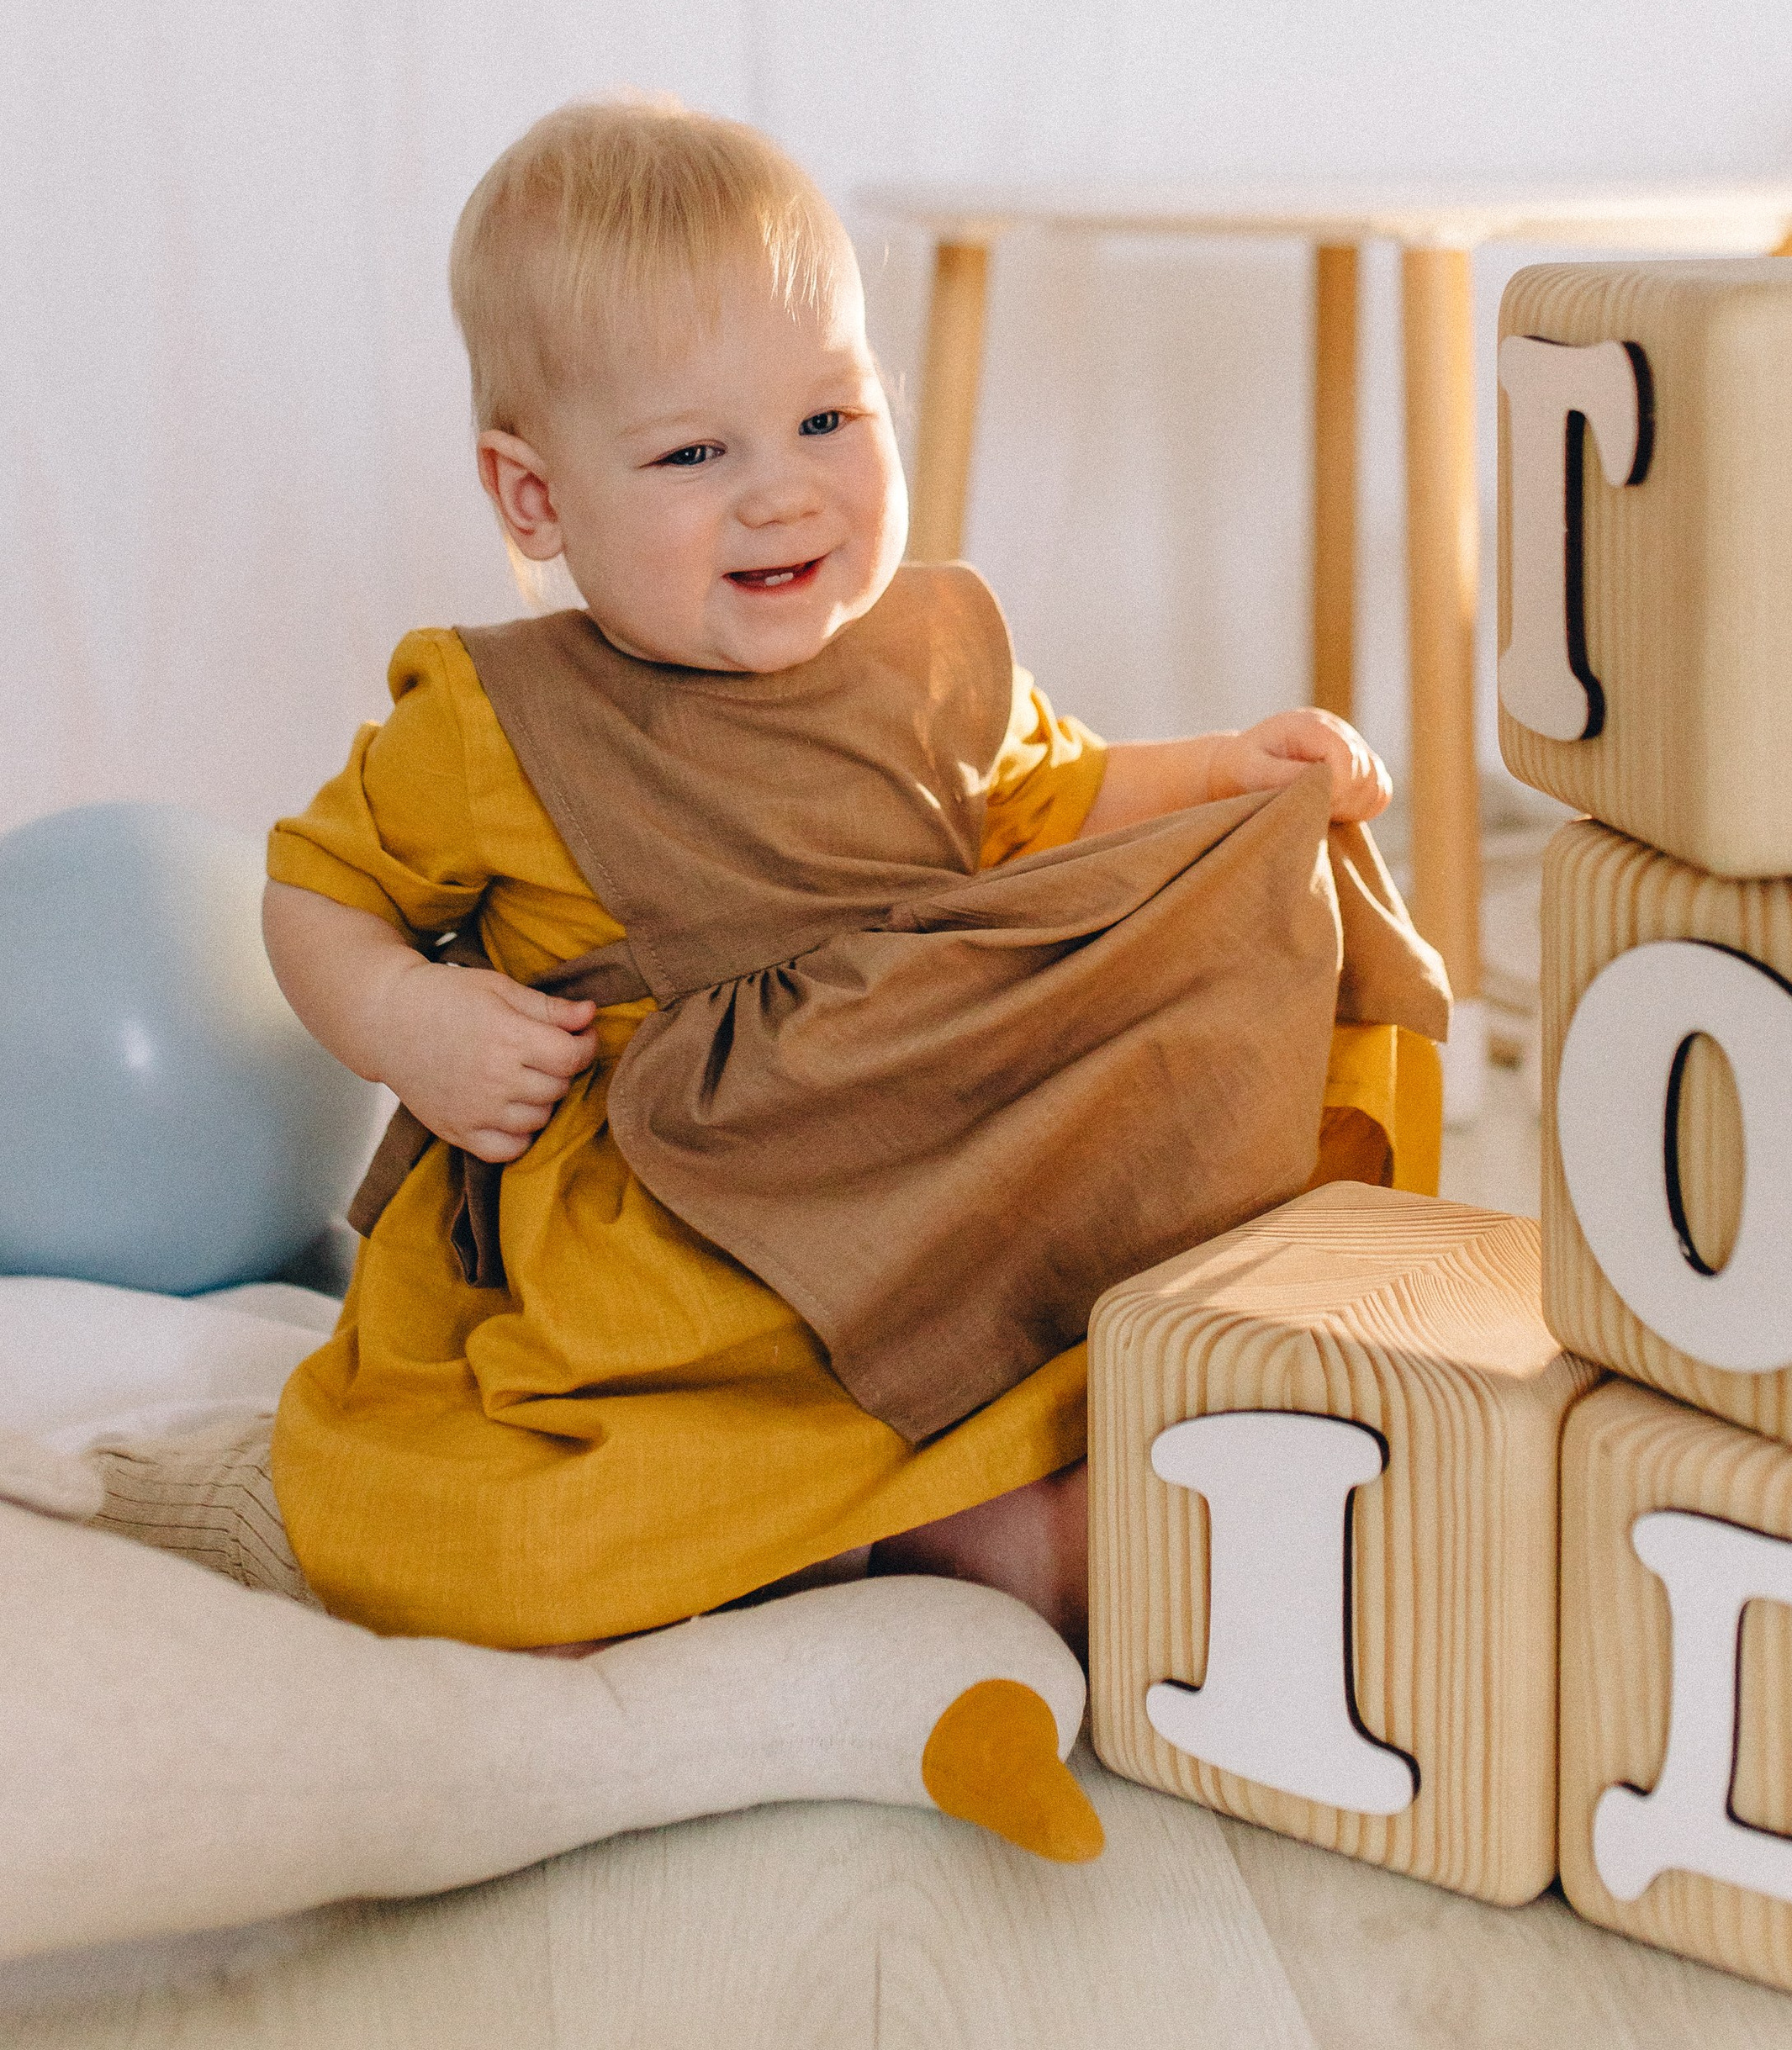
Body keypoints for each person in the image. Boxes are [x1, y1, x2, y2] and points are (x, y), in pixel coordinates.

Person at [265, 100, 1448, 1655]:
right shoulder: (496, 722)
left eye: (829, 417)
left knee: (1244, 942)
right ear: (536, 499)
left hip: (914, 1162)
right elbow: (317, 893)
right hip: (679, 1257)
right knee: (492, 1533)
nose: (785, 493)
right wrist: (408, 1022)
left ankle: (994, 1486)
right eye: (697, 453)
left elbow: (1056, 802)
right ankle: (898, 1535)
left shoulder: (929, 652)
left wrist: (1231, 773)